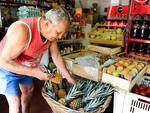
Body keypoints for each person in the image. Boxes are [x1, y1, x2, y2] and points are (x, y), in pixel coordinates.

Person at [0, 7, 76, 113]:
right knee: (15, 103)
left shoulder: (50, 35)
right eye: (58, 32)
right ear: (47, 24)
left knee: (29, 90)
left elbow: (56, 56)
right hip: (8, 67)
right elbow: (3, 61)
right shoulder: (23, 31)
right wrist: (34, 72)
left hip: (27, 65)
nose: (60, 37)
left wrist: (68, 77)